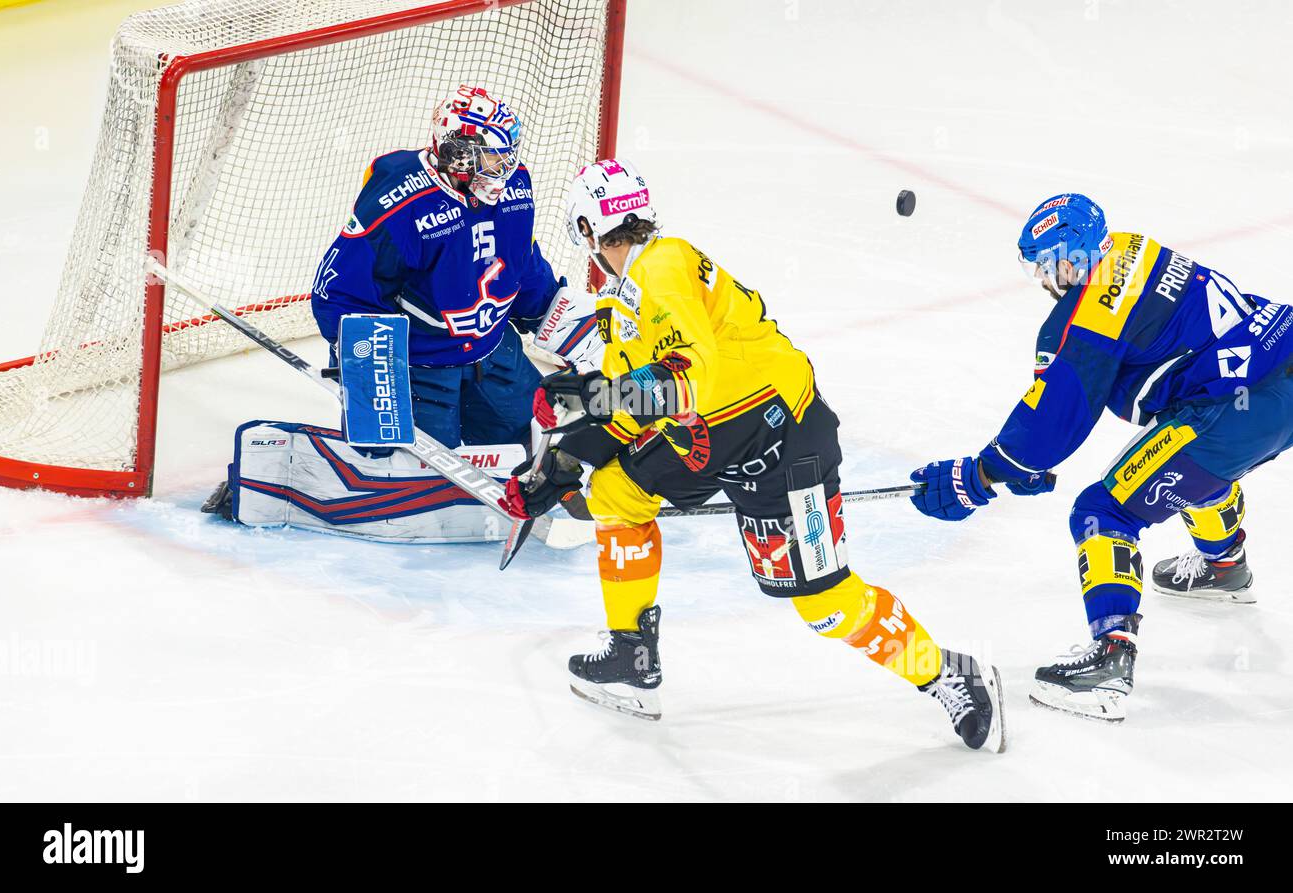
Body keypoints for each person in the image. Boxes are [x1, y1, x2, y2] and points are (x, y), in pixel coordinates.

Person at [501, 159, 1006, 752]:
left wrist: (590, 397)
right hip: (709, 440)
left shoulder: (663, 265)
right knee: (614, 493)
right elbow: (629, 406)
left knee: (824, 605)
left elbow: (687, 382)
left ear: (588, 227)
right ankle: (632, 656)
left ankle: (952, 674)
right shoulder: (621, 300)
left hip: (781, 436)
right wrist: (565, 462)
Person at [909, 193, 1293, 721]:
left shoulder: (1088, 314)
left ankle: (1109, 662)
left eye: (1047, 265)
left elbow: (1054, 418)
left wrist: (983, 473)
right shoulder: (1135, 247)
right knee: (1185, 459)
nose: (1045, 281)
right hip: (1280, 356)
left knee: (1103, 511)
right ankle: (1223, 566)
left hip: (1238, 412)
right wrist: (1026, 461)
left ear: (1070, 259)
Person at [203, 85, 600, 543]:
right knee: (417, 474)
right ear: (460, 156)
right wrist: (369, 370)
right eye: (493, 158)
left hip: (493, 351)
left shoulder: (514, 187)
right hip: (422, 363)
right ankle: (283, 484)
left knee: (536, 435)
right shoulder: (399, 205)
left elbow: (519, 259)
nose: (505, 169)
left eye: (508, 156)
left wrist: (555, 315)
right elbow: (338, 293)